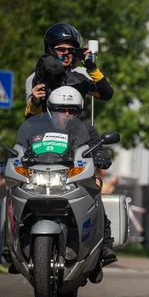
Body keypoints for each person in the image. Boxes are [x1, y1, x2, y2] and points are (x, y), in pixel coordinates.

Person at [34, 86, 117, 265]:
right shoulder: (38, 130)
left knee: (94, 191)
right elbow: (22, 145)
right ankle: (14, 240)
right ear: (50, 110)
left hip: (74, 178)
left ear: (78, 112)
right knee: (13, 193)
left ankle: (104, 244)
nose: (66, 114)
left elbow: (97, 145)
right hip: (41, 180)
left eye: (71, 110)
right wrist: (12, 155)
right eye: (60, 110)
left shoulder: (86, 130)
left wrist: (101, 155)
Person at [25, 23, 113, 117]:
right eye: (61, 49)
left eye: (71, 50)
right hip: (47, 130)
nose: (66, 53)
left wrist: (92, 68)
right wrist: (35, 102)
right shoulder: (35, 78)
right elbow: (30, 120)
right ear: (50, 50)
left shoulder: (82, 74)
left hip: (76, 129)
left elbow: (107, 94)